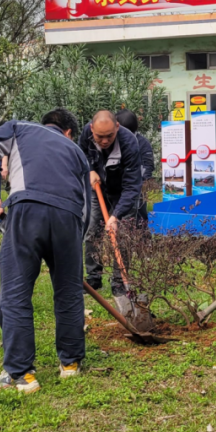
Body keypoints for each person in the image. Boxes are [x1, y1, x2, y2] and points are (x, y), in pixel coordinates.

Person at [0, 108, 91, 393]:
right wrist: (74, 243)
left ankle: (21, 375)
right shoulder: (77, 151)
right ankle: (70, 364)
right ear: (68, 132)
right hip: (69, 219)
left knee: (16, 291)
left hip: (28, 210)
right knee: (69, 291)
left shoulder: (19, 128)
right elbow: (87, 204)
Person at [78, 110, 143, 296]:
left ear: (117, 127)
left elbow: (132, 186)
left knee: (122, 235)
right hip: (98, 187)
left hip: (124, 191)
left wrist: (115, 216)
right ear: (92, 129)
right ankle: (94, 277)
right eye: (100, 137)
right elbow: (80, 154)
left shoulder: (129, 143)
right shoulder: (86, 133)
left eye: (110, 136)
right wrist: (89, 170)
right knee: (93, 231)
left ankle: (119, 283)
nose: (105, 141)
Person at [115, 109, 154, 223]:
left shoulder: (142, 143)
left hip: (136, 186)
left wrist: (141, 182)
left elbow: (148, 165)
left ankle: (140, 232)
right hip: (120, 185)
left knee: (138, 214)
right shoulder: (117, 141)